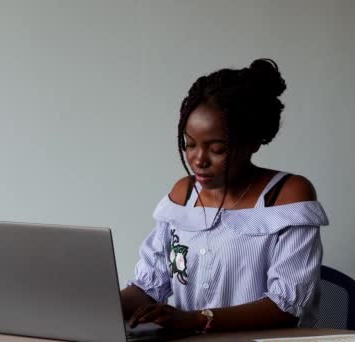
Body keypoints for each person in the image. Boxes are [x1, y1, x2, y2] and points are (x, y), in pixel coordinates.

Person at [120, 58, 329, 333]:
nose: (198, 160)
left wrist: (195, 319)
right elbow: (149, 286)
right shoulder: (183, 196)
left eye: (216, 149)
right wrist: (92, 303)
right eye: (189, 145)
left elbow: (286, 306)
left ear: (252, 142)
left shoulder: (286, 195)